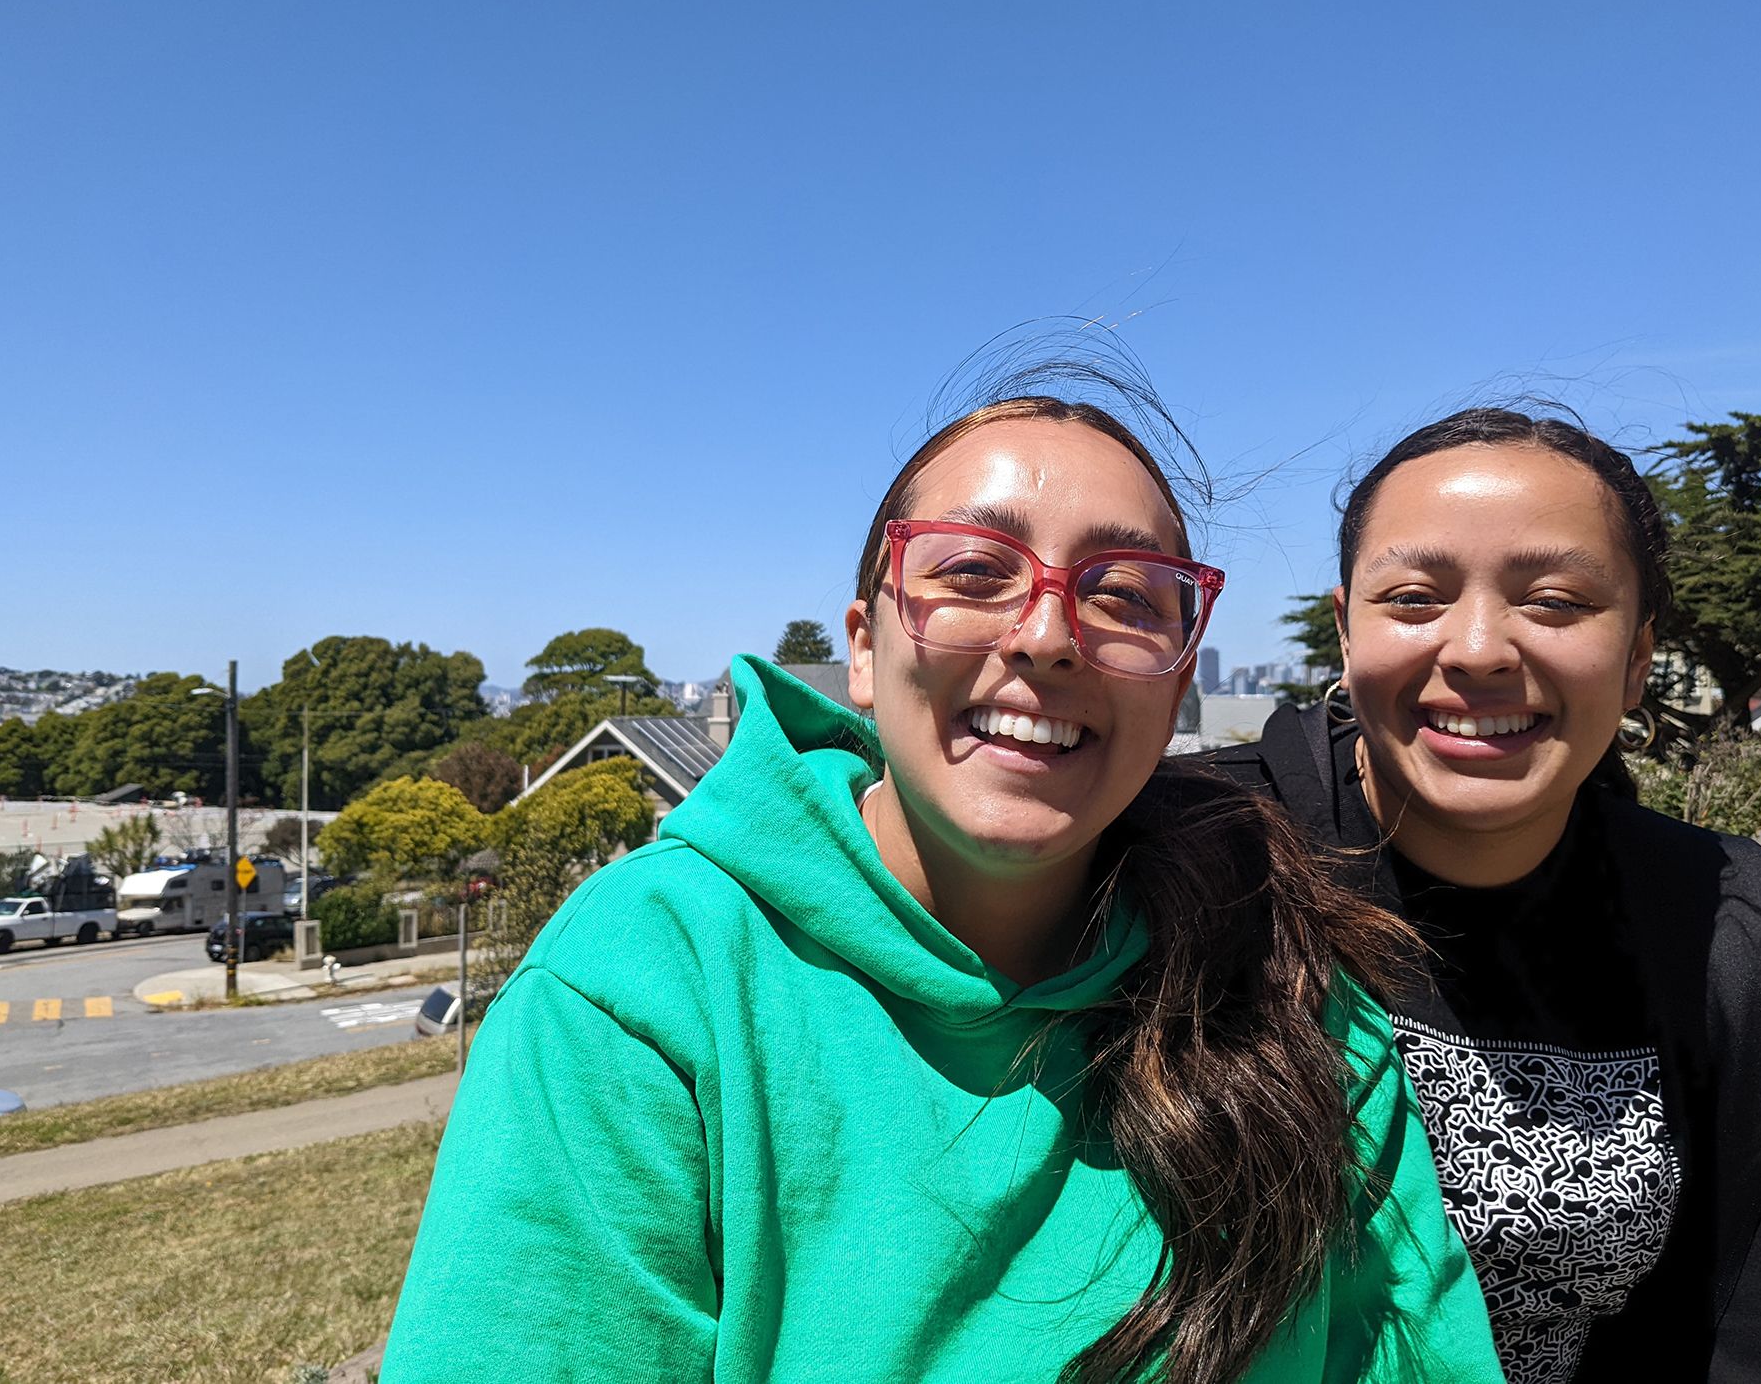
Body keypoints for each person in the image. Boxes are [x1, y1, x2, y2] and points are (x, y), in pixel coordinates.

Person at [381, 391, 1505, 1383]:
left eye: (1125, 596)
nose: (1051, 635)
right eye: (973, 571)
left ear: (1175, 685)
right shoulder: (651, 981)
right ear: (863, 652)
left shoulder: (1282, 968)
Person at [1208, 408, 1761, 1383]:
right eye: (1412, 597)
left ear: (1636, 658)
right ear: (1343, 631)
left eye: (1556, 600)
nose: (1478, 648)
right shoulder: (1186, 860)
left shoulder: (1752, 941)